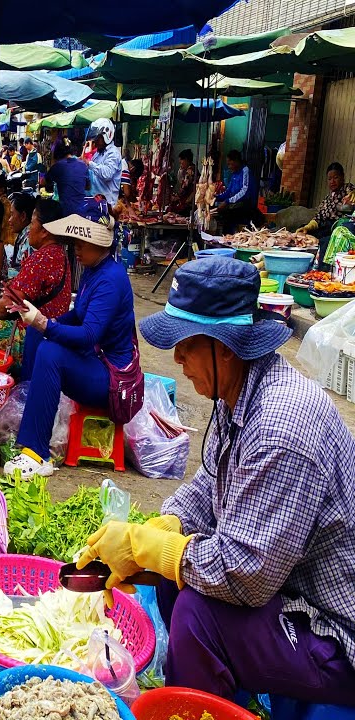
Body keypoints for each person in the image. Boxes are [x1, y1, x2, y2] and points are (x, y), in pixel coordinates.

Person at [79, 256, 355, 706]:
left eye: (186, 344)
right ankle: (226, 698)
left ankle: (195, 709)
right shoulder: (240, 390)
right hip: (287, 587)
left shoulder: (279, 430)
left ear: (225, 347)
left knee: (197, 614)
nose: (177, 358)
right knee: (176, 578)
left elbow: (246, 574)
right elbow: (210, 482)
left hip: (334, 630)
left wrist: (156, 550)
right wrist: (164, 526)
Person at [3, 213, 135, 479]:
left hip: (111, 377)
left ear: (101, 245)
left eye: (81, 244)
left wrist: (45, 324)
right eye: (75, 243)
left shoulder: (110, 279)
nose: (76, 249)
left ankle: (36, 452)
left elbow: (88, 334)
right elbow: (77, 316)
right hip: (96, 361)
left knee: (51, 352)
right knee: (38, 337)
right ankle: (32, 412)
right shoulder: (93, 271)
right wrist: (43, 323)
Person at [0, 198, 72, 379]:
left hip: (35, 334)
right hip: (51, 331)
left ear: (45, 231)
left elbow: (8, 303)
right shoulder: (59, 254)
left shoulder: (42, 258)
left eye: (32, 224)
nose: (29, 229)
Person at [302, 161, 355, 241]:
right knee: (303, 230)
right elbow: (319, 216)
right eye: (330, 179)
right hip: (324, 227)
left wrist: (352, 194)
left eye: (336, 178)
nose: (332, 181)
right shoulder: (327, 198)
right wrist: (308, 227)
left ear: (342, 177)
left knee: (324, 239)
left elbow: (352, 192)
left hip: (338, 226)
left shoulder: (347, 188)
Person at [213, 149, 260, 233]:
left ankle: (229, 237)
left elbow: (244, 191)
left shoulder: (245, 170)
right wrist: (216, 198)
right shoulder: (234, 174)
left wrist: (227, 201)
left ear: (236, 161)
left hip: (247, 207)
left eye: (229, 164)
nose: (229, 166)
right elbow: (228, 191)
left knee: (228, 216)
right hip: (236, 205)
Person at [44, 138, 91, 219]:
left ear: (56, 153)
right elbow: (88, 187)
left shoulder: (57, 166)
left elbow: (47, 187)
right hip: (83, 212)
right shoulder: (83, 165)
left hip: (65, 213)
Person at [86, 118, 123, 208]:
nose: (95, 141)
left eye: (97, 138)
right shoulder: (98, 153)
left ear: (106, 136)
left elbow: (107, 174)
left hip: (107, 205)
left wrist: (89, 163)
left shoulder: (113, 153)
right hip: (96, 201)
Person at [5, 192, 38, 278]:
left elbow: (26, 273)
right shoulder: (22, 236)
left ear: (23, 216)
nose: (9, 220)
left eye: (12, 214)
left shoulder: (29, 239)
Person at [170, 148, 198, 215]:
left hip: (189, 204)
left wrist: (176, 197)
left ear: (186, 160)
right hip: (191, 202)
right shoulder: (194, 168)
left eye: (181, 162)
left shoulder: (190, 171)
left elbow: (184, 187)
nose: (180, 165)